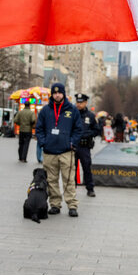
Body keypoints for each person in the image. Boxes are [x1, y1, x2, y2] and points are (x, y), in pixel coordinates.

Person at [37, 82, 83, 217]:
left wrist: (72, 143)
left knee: (69, 179)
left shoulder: (72, 110)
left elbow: (78, 129)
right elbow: (39, 129)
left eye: (59, 93)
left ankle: (72, 205)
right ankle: (55, 204)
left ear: (63, 94)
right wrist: (43, 143)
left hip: (66, 151)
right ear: (52, 95)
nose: (57, 95)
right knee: (51, 180)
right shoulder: (45, 110)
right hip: (49, 151)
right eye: (55, 93)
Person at [74, 93, 100, 198]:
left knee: (87, 168)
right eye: (77, 102)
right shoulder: (72, 114)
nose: (78, 104)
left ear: (85, 103)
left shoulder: (90, 116)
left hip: (84, 146)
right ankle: (72, 188)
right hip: (74, 146)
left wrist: (87, 134)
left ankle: (90, 188)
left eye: (81, 102)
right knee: (71, 168)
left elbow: (97, 130)